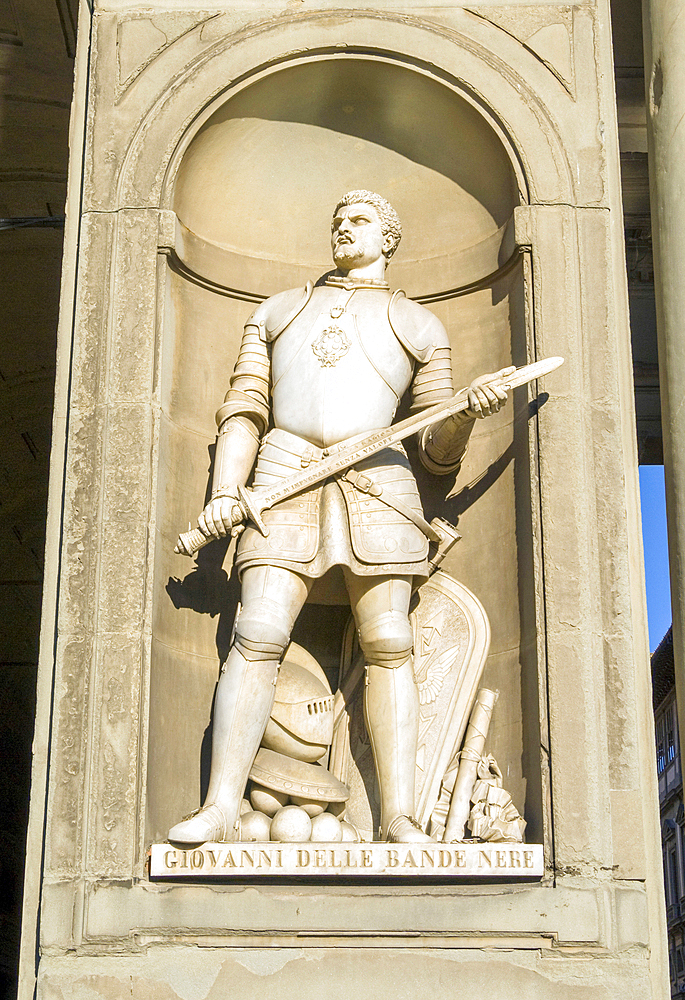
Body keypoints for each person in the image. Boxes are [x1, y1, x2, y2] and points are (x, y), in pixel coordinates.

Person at [168, 190, 510, 844]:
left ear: (387, 237)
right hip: (283, 469)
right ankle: (219, 804)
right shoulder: (278, 308)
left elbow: (434, 453)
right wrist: (225, 489)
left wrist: (467, 412)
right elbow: (244, 408)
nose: (342, 229)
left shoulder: (418, 324)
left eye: (358, 221)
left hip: (378, 478)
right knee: (256, 633)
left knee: (389, 644)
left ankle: (399, 817)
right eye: (337, 221)